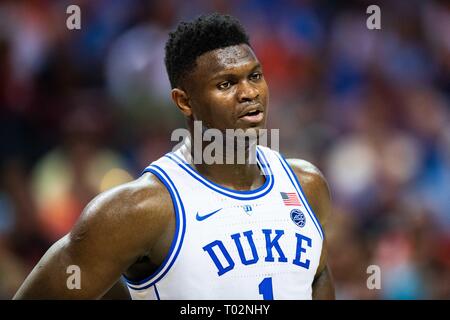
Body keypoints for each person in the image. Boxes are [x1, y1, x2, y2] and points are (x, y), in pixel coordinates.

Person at [13, 13, 334, 300]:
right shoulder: (141, 209)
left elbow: (317, 278)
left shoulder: (306, 185)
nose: (249, 93)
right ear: (184, 101)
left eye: (254, 76)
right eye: (226, 83)